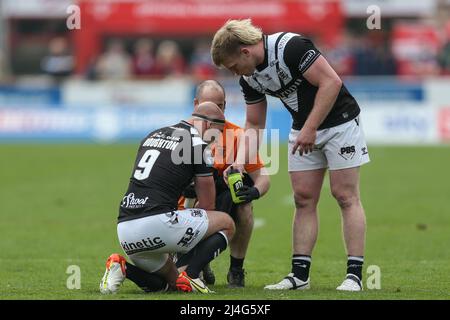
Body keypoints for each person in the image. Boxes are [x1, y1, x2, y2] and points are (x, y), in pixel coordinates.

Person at [211, 19, 370, 291]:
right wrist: (237, 163)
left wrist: (310, 128)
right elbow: (254, 124)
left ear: (245, 52)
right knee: (303, 198)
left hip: (340, 123)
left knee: (345, 196)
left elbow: (331, 83)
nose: (236, 73)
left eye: (234, 66)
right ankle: (299, 277)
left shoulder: (290, 47)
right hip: (303, 129)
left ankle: (353, 276)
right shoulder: (250, 78)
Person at [99, 102, 235, 294]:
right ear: (209, 125)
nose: (216, 140)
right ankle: (193, 274)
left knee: (174, 284)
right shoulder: (198, 144)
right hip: (158, 223)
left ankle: (121, 267)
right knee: (226, 223)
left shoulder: (153, 134)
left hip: (126, 229)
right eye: (217, 133)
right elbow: (207, 206)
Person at [177, 80, 270, 288]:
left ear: (226, 106)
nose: (215, 111)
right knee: (172, 279)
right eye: (209, 104)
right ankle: (198, 262)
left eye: (220, 105)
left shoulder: (237, 136)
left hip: (217, 203)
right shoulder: (181, 136)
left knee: (243, 205)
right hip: (185, 209)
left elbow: (263, 178)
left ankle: (236, 270)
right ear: (196, 104)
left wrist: (254, 192)